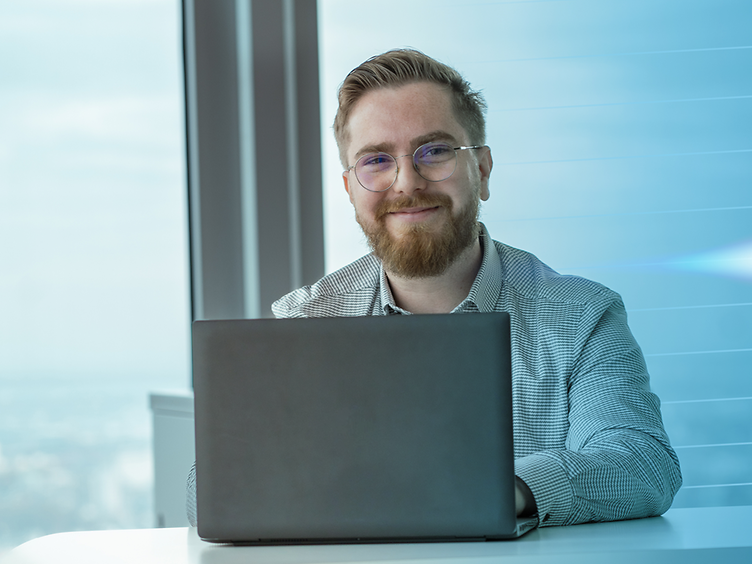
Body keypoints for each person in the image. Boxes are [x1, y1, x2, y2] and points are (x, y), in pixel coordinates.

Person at [187, 48, 681, 528]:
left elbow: (640, 464)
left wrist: (493, 491)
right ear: (350, 189)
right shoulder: (305, 321)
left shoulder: (582, 316)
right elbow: (208, 490)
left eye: (435, 151)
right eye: (377, 160)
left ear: (482, 170)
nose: (407, 183)